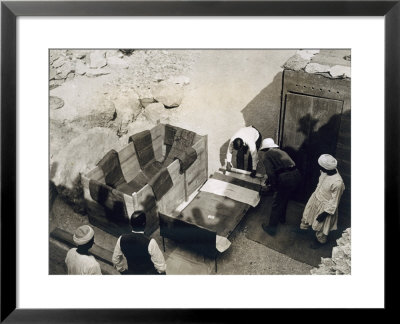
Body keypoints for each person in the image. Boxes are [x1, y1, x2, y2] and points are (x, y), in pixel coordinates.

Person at [299, 154, 345, 249]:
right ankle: (304, 229)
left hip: (325, 207)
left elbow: (334, 201)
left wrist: (324, 214)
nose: (319, 168)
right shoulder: (326, 172)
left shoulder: (337, 183)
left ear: (327, 168)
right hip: (316, 198)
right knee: (307, 214)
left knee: (321, 225)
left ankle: (320, 241)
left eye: (321, 167)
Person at [259, 138, 301, 236]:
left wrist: (274, 187)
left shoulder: (266, 156)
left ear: (265, 148)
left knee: (277, 202)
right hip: (296, 175)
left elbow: (271, 173)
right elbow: (281, 167)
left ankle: (271, 229)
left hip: (286, 178)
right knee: (285, 197)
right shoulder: (281, 152)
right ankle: (282, 218)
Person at [112, 210, 166, 275]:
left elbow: (115, 260)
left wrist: (122, 270)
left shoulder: (121, 239)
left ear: (131, 224)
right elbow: (162, 268)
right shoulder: (150, 242)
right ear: (144, 224)